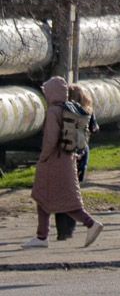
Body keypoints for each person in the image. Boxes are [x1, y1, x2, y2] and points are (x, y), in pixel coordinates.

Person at [23, 77, 103, 248]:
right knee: (45, 197)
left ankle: (90, 224)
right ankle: (42, 236)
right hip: (67, 158)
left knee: (59, 199)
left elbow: (50, 140)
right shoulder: (69, 108)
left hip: (53, 161)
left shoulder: (53, 111)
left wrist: (43, 157)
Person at [54, 84, 99, 240]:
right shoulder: (87, 110)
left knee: (60, 193)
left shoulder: (61, 110)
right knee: (74, 192)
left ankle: (62, 231)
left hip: (64, 153)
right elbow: (94, 129)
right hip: (81, 153)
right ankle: (70, 229)